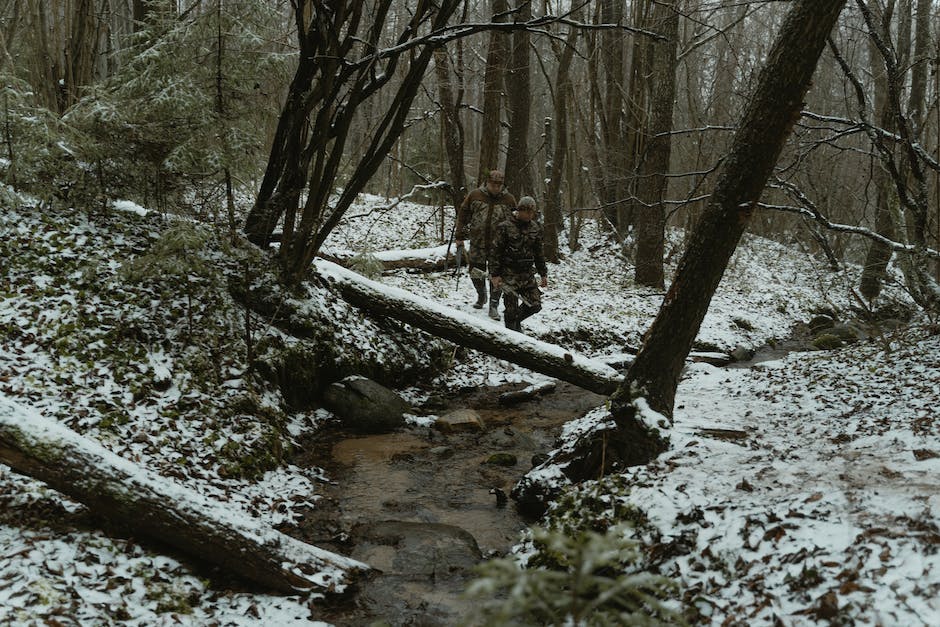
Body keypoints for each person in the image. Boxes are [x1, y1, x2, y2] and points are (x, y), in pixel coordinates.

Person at [455, 169, 517, 319]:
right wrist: (459, 236)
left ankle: (493, 305)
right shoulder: (475, 195)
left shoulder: (509, 199)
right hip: (478, 241)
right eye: (493, 184)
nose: (496, 187)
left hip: (499, 246)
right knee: (475, 271)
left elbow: (516, 222)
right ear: (487, 182)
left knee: (497, 276)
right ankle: (481, 294)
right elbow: (463, 214)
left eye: (499, 184)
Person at [489, 196, 547, 332]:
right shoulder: (505, 227)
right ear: (519, 210)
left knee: (535, 305)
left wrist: (543, 273)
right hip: (509, 275)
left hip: (527, 275)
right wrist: (495, 274)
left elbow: (539, 253)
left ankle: (516, 324)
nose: (529, 215)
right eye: (526, 211)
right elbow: (495, 252)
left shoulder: (535, 228)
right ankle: (512, 336)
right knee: (511, 311)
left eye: (531, 212)